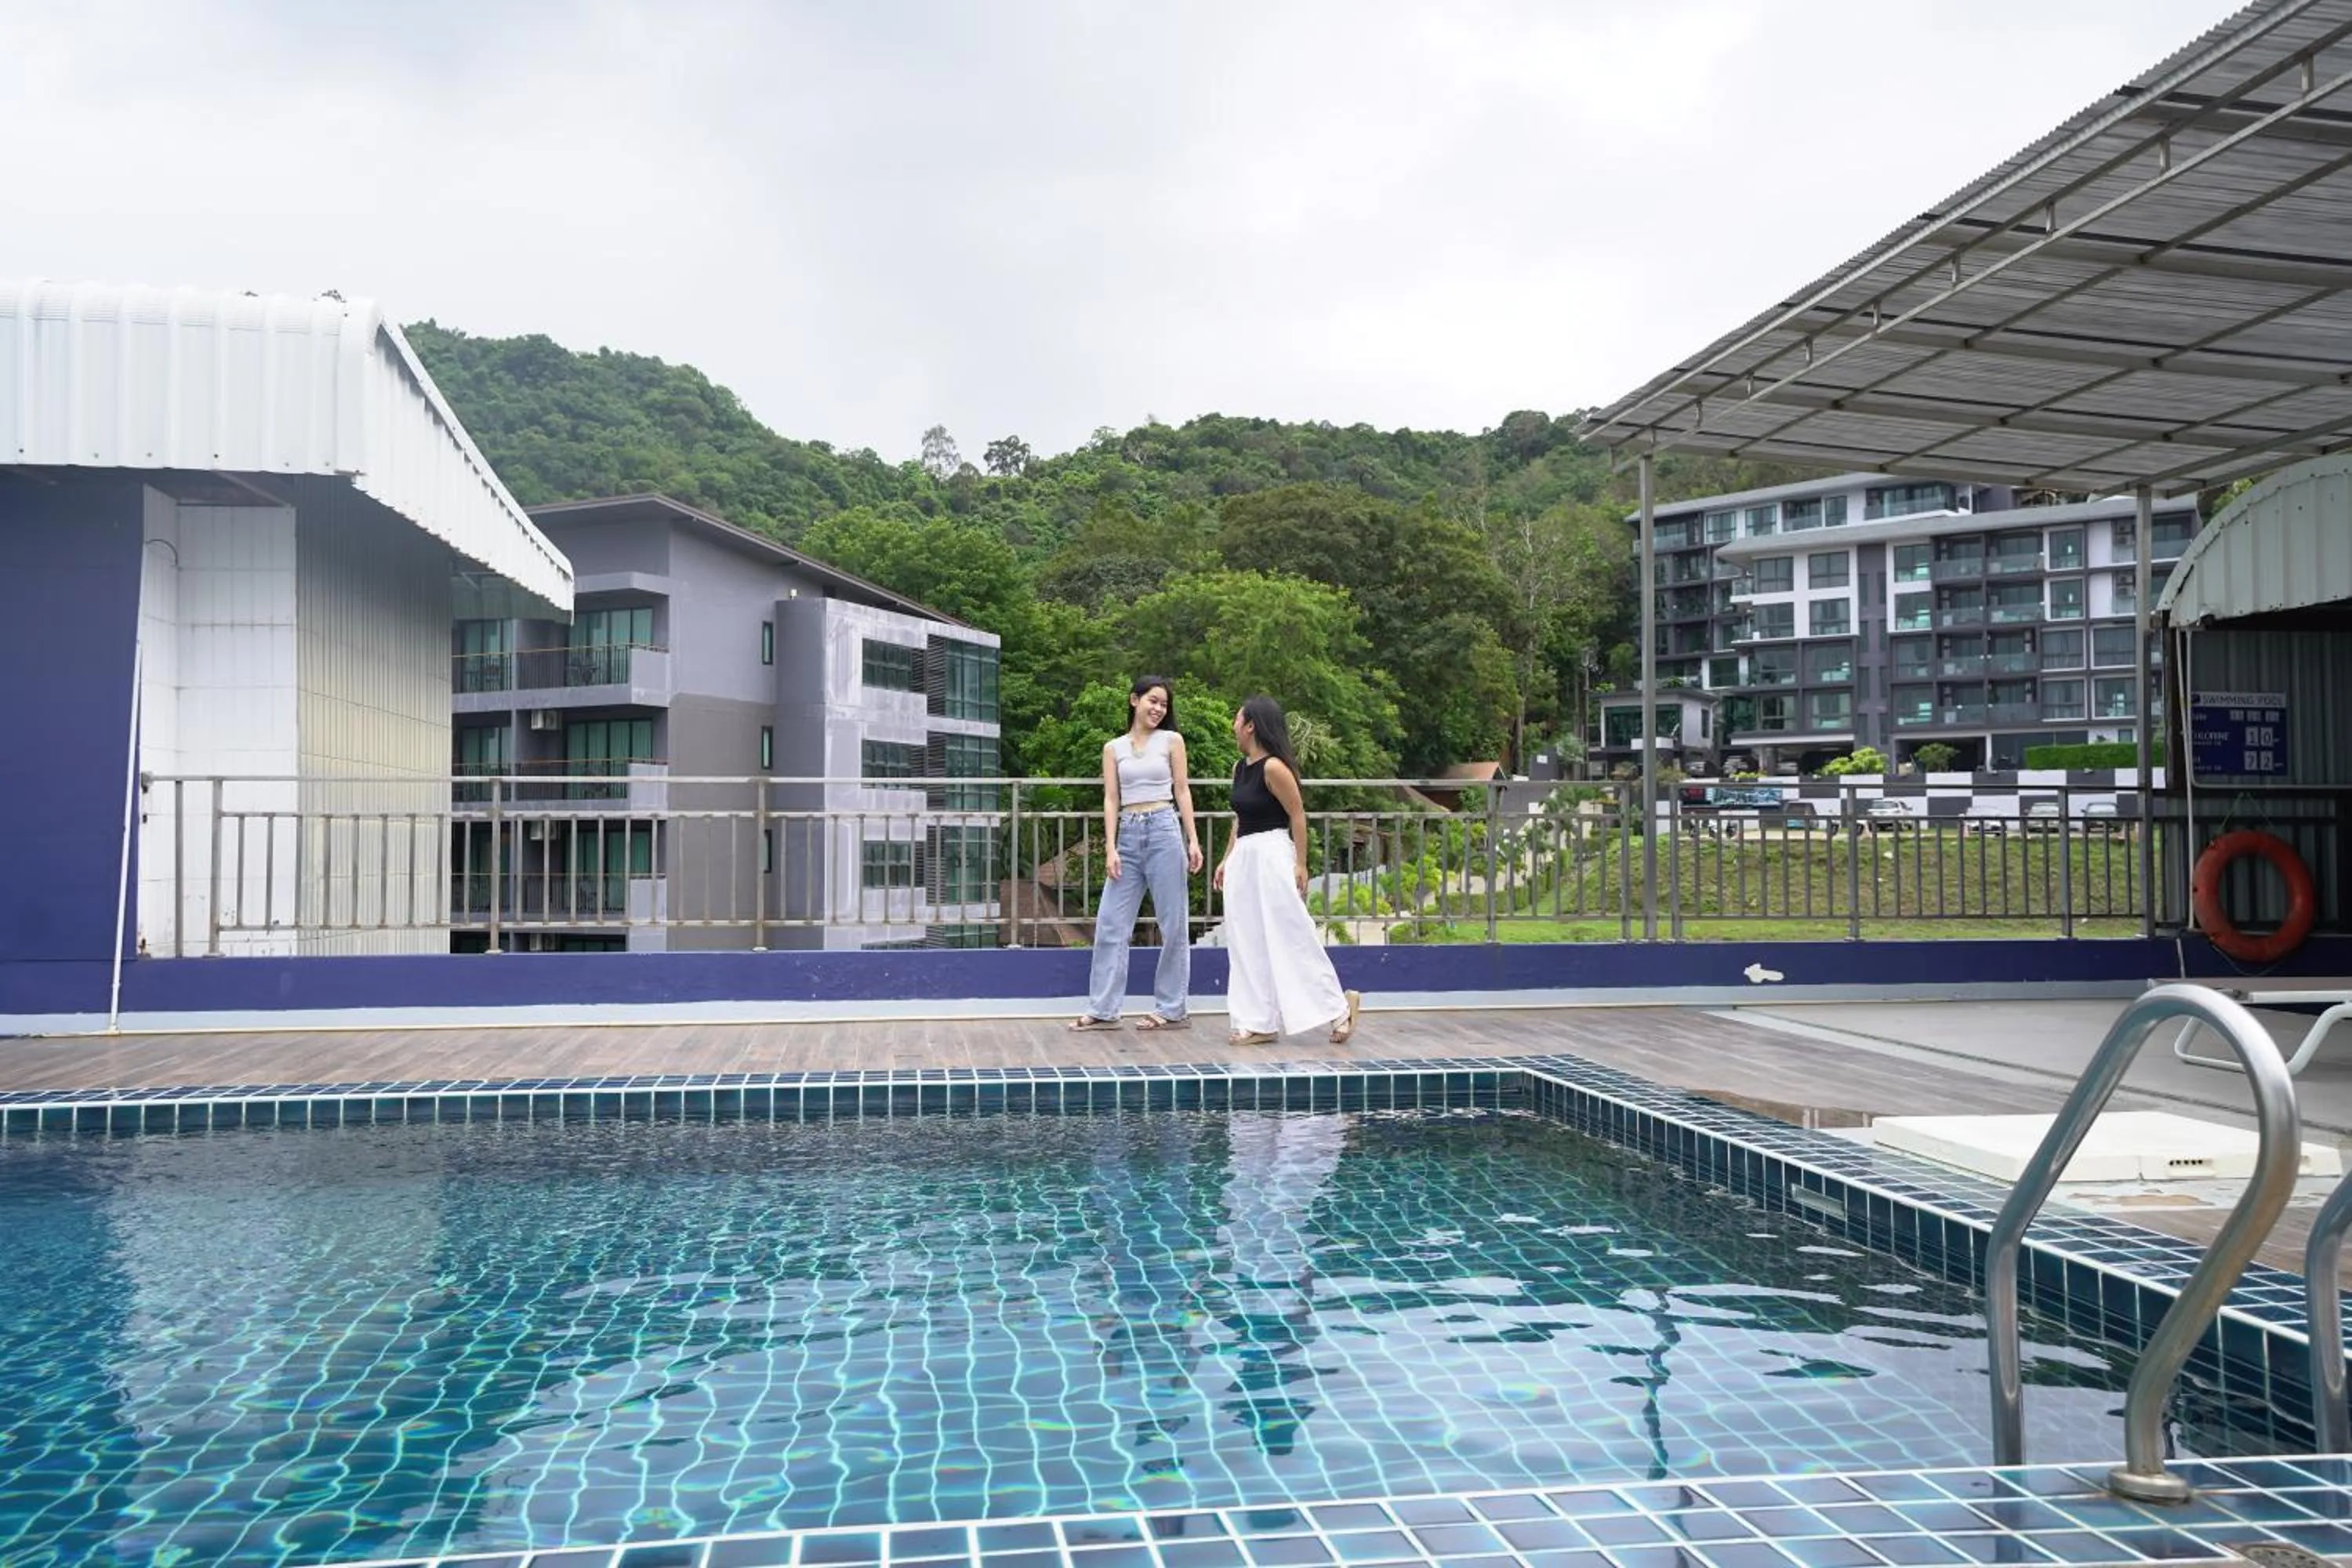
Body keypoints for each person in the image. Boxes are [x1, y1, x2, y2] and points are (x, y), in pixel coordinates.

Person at [1213, 695, 1362, 1046]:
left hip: (1272, 852)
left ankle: (1338, 1008)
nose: (1234, 725)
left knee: (1291, 932)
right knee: (1245, 939)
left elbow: (1297, 815)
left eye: (1237, 719)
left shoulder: (1273, 768)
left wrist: (1300, 863)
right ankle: (1258, 1021)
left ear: (1251, 725)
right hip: (1246, 855)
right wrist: (1226, 859)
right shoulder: (1240, 768)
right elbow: (1240, 820)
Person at [1070, 676, 1203, 1031]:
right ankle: (1103, 1008)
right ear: (1134, 700)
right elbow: (1111, 798)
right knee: (1111, 923)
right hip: (1128, 833)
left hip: (1163, 828)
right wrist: (1111, 847)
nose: (1158, 709)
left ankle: (1172, 1008)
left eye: (1164, 704)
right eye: (1153, 701)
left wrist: (1193, 839)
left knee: (1173, 924)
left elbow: (1182, 790)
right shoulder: (1113, 748)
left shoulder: (1172, 741)